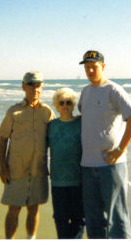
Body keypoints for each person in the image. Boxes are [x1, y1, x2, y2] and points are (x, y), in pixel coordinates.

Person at [78, 50, 131, 239]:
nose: (90, 70)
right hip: (87, 166)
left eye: (94, 67)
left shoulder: (113, 90)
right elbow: (86, 118)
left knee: (117, 217)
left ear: (103, 67)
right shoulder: (85, 91)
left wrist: (120, 149)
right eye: (87, 67)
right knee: (93, 218)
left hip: (110, 165)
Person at [0, 71, 56, 239]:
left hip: (38, 170)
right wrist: (2, 167)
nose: (35, 90)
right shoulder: (13, 112)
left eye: (39, 86)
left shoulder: (47, 112)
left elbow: (56, 140)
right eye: (31, 86)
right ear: (24, 87)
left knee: (34, 208)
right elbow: (2, 141)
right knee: (14, 208)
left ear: (42, 88)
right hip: (16, 170)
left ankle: (31, 238)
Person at [47, 88, 85, 239]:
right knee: (60, 219)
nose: (65, 105)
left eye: (68, 102)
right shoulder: (51, 125)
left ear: (73, 104)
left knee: (78, 220)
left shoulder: (81, 123)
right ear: (56, 105)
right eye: (61, 102)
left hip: (78, 180)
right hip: (57, 181)